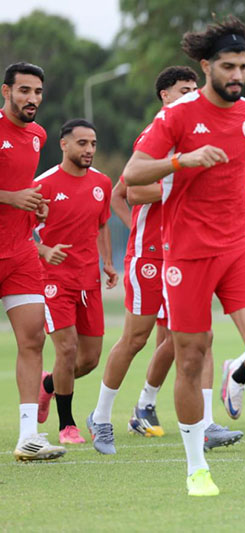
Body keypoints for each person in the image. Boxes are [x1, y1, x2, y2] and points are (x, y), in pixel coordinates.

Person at [123, 16, 245, 496]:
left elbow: (243, 172)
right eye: (227, 66)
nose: (237, 75)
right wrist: (181, 160)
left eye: (243, 66)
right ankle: (196, 468)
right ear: (206, 66)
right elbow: (134, 173)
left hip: (238, 246)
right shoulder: (177, 116)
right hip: (185, 254)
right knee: (191, 356)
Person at [88, 66, 242, 454]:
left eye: (195, 89)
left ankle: (199, 422)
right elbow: (130, 192)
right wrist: (179, 182)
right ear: (165, 96)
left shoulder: (198, 135)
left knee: (198, 339)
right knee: (136, 338)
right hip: (151, 256)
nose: (192, 94)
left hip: (187, 253)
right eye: (183, 89)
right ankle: (101, 417)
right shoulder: (156, 135)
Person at [35, 119, 118, 444]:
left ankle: (47, 387)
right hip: (54, 281)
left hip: (90, 281)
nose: (89, 150)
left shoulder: (102, 183)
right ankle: (66, 425)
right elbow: (15, 230)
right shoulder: (43, 185)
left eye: (93, 144)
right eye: (82, 143)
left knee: (89, 360)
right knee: (67, 350)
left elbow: (101, 226)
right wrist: (43, 250)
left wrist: (108, 263)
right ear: (64, 145)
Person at [0, 61, 66, 461]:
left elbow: (21, 187)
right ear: (5, 92)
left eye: (38, 92)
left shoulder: (38, 135)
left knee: (33, 338)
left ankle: (28, 436)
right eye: (24, 90)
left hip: (21, 251)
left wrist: (33, 208)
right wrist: (10, 197)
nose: (32, 99)